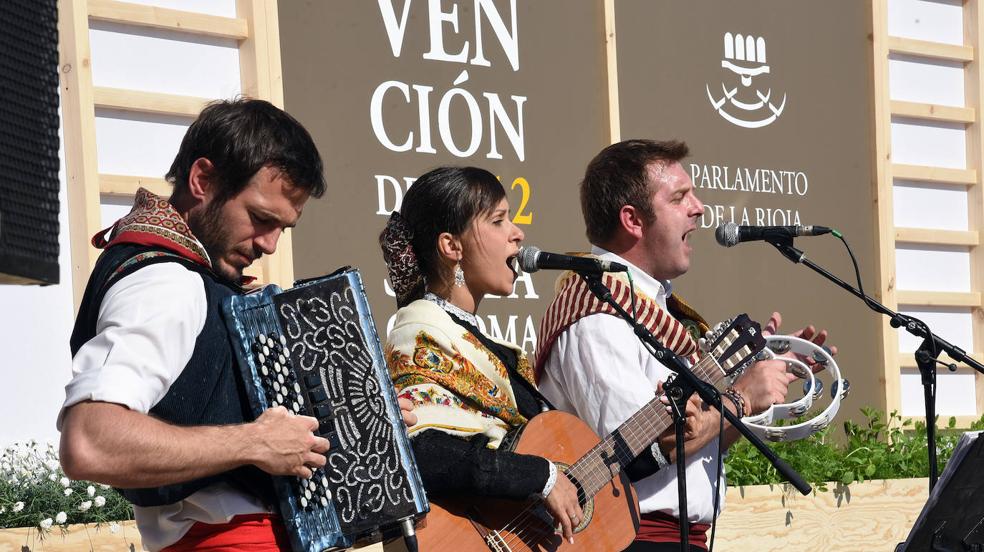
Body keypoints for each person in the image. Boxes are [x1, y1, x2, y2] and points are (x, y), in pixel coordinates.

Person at [58, 98, 414, 551]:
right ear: (202, 179)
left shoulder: (203, 281)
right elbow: (90, 440)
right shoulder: (165, 282)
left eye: (283, 227)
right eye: (261, 218)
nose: (269, 243)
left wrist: (357, 419)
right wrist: (254, 443)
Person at [535, 139, 835, 552]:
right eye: (679, 197)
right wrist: (741, 397)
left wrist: (762, 380)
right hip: (631, 542)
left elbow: (694, 443)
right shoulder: (596, 318)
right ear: (633, 220)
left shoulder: (644, 306)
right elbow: (639, 452)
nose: (699, 207)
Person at [379, 166, 595, 544]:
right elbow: (421, 449)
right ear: (452, 247)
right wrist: (539, 477)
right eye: (498, 221)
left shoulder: (486, 345)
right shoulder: (421, 330)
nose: (517, 233)